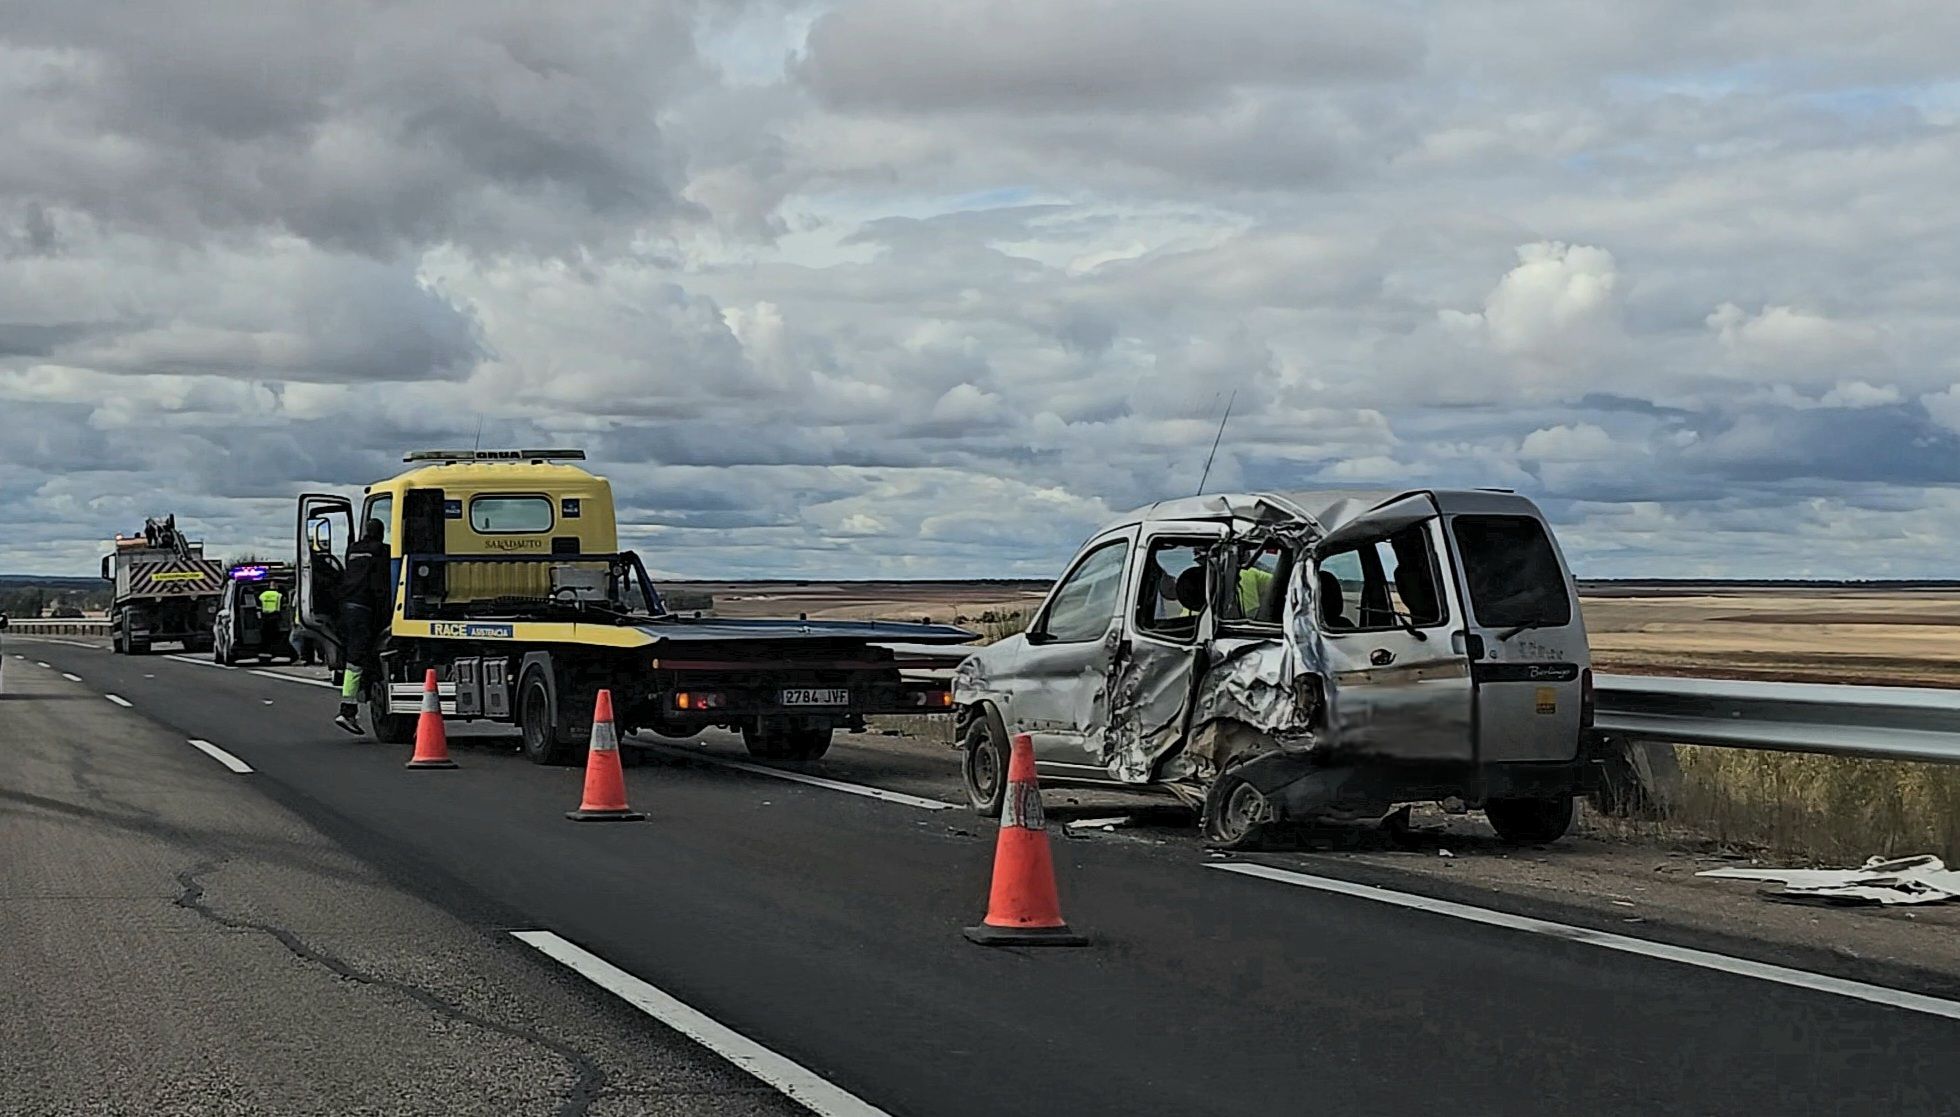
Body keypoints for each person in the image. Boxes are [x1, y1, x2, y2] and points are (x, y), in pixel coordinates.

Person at [333, 519, 391, 735]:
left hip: (346, 608)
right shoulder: (382, 551)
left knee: (356, 657)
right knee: (356, 660)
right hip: (364, 609)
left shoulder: (353, 550)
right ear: (382, 534)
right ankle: (347, 709)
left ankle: (355, 702)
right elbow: (382, 586)